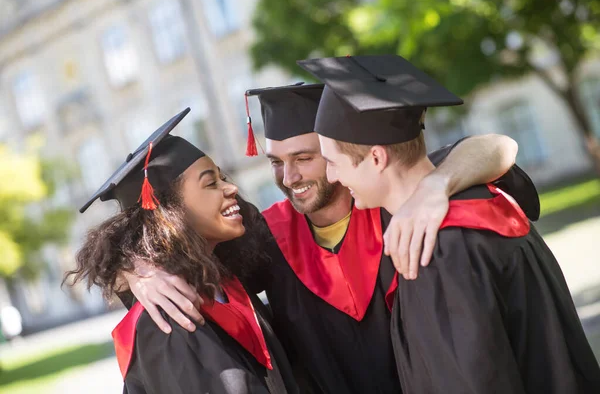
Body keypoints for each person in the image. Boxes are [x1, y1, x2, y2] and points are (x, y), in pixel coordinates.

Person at [119, 83, 541, 393]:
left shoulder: (400, 202)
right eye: (277, 162)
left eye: (304, 158)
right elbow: (183, 249)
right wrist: (139, 269)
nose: (290, 177)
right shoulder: (267, 238)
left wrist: (438, 185)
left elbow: (497, 146)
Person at [300, 54, 600, 393]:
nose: (331, 176)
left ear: (376, 157)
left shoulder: (432, 250)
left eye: (333, 162)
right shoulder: (484, 195)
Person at [65, 109, 298, 394]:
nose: (232, 188)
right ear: (169, 212)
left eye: (222, 177)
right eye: (211, 183)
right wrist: (133, 268)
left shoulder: (226, 280)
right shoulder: (168, 320)